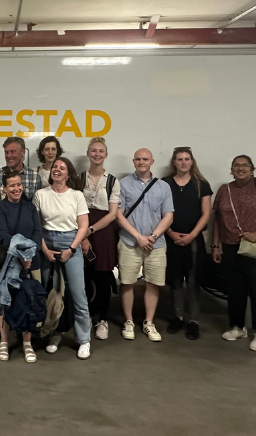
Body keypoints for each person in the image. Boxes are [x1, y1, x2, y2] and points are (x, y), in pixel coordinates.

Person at [212, 155, 256, 351]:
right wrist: (215, 246)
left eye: (244, 165)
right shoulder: (224, 190)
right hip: (231, 246)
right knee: (235, 290)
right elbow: (217, 218)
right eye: (236, 165)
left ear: (252, 169)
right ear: (231, 169)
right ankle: (237, 326)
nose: (240, 168)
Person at [0, 136, 43, 339]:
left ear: (23, 153)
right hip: (4, 245)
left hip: (29, 247)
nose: (9, 155)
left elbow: (36, 213)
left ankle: (24, 323)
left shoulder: (34, 177)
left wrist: (30, 249)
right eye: (6, 152)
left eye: (13, 152)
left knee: (26, 287)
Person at [35, 157, 92, 359]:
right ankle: (54, 335)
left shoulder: (76, 196)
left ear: (68, 174)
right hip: (47, 244)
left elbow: (83, 225)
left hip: (70, 242)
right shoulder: (40, 194)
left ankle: (84, 339)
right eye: (55, 167)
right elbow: (36, 226)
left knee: (78, 293)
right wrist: (44, 249)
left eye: (62, 168)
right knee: (53, 294)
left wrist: (72, 249)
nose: (57, 170)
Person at [116, 148, 174, 342]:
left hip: (156, 244)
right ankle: (129, 321)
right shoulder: (122, 184)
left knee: (153, 283)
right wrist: (138, 237)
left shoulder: (163, 187)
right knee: (127, 282)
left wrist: (153, 236)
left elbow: (168, 216)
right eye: (138, 159)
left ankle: (149, 322)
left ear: (152, 161)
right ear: (133, 161)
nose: (142, 162)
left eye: (145, 159)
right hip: (129, 241)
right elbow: (118, 214)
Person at [0, 170, 43, 362]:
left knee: (30, 301)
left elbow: (38, 232)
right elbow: (2, 235)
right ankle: (4, 342)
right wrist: (21, 255)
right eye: (12, 185)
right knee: (5, 301)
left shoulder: (30, 208)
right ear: (4, 189)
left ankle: (27, 343)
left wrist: (29, 255)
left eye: (18, 184)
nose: (16, 188)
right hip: (8, 263)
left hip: (31, 262)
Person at [163, 147, 213, 340]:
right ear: (173, 162)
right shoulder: (165, 183)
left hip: (193, 239)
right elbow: (159, 211)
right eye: (179, 159)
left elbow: (206, 214)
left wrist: (192, 235)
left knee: (192, 282)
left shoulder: (201, 184)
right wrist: (170, 232)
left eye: (186, 159)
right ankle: (178, 316)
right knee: (175, 280)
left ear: (192, 162)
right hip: (170, 238)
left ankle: (193, 321)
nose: (183, 162)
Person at [79, 137, 121, 340]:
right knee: (83, 276)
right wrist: (84, 234)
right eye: (93, 151)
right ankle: (84, 316)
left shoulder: (113, 181)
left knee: (103, 277)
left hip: (103, 231)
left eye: (100, 151)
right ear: (88, 154)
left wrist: (91, 230)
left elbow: (113, 214)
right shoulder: (78, 179)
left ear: (105, 155)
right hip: (81, 228)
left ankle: (102, 319)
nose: (97, 154)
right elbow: (74, 208)